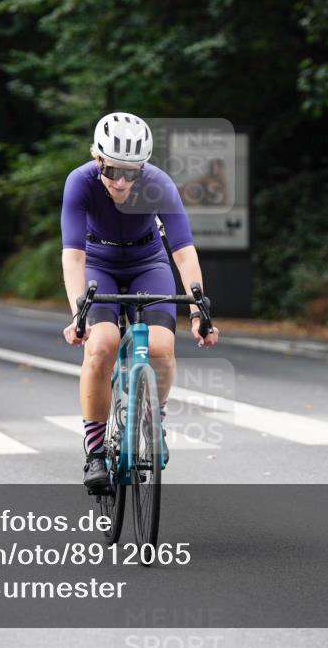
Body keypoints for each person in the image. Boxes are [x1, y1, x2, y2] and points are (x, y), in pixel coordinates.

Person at [60, 112, 220, 492]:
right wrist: (77, 315)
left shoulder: (159, 183)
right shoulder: (80, 182)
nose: (120, 182)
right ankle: (96, 453)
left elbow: (182, 251)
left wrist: (199, 313)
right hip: (99, 262)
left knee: (162, 348)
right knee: (102, 346)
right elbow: (73, 256)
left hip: (148, 261)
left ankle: (155, 418)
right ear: (96, 157)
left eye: (131, 173)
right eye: (112, 170)